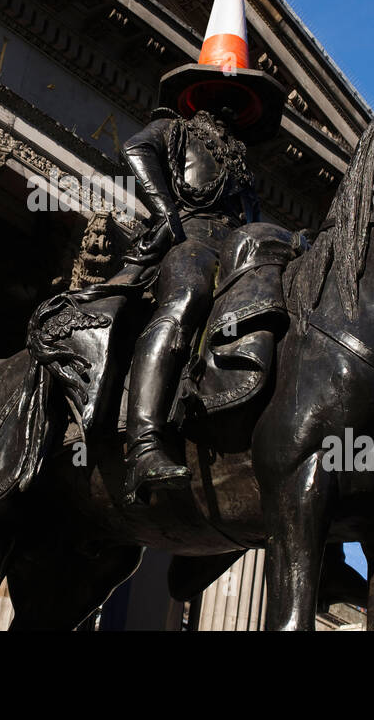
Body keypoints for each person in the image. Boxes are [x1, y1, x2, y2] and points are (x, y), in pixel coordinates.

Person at [113, 102, 261, 503]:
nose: (229, 116)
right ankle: (143, 444)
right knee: (187, 297)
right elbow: (136, 148)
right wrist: (166, 214)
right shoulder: (175, 130)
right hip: (190, 242)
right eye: (223, 98)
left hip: (238, 255)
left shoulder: (244, 171)